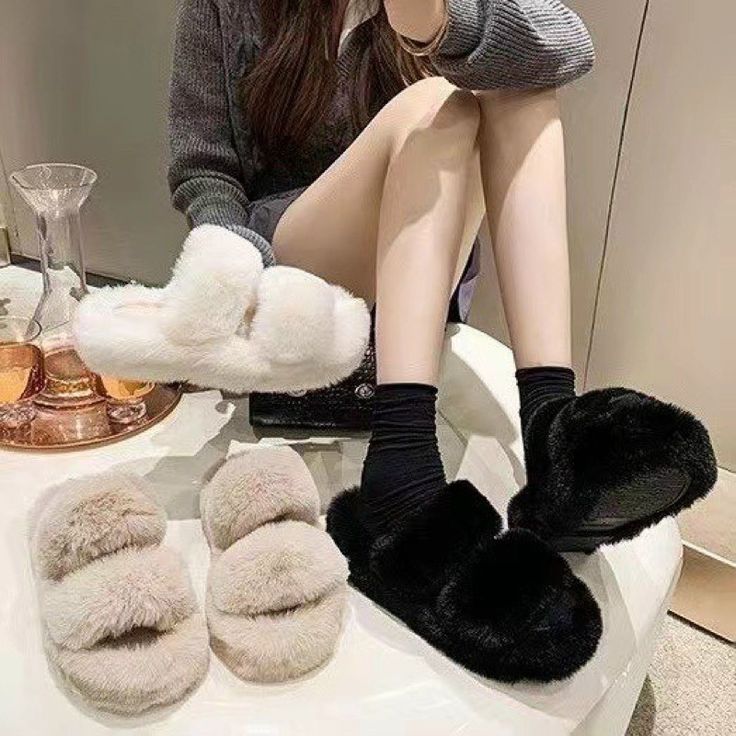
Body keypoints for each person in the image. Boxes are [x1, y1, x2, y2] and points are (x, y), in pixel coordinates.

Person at [168, 0, 715, 552]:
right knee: (436, 103)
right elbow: (204, 166)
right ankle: (402, 448)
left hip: (419, 269)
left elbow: (567, 43)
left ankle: (550, 426)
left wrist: (443, 24)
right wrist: (232, 270)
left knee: (520, 87)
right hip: (297, 268)